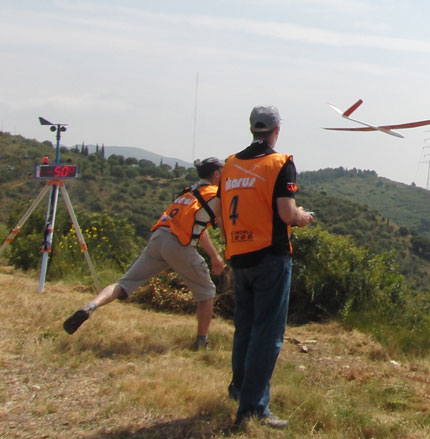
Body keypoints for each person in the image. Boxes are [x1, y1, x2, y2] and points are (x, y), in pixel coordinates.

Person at [215, 106, 314, 428]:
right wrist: (303, 217)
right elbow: (286, 213)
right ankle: (253, 408)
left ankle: (239, 390)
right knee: (267, 334)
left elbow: (220, 213)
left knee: (244, 328)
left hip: (238, 254)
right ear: (276, 130)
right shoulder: (280, 163)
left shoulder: (230, 164)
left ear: (252, 129)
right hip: (270, 255)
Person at [63, 157, 227, 351]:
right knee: (206, 293)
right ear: (216, 174)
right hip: (179, 245)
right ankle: (201, 342)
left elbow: (198, 228)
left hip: (158, 238)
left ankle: (91, 306)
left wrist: (214, 256)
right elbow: (222, 222)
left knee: (124, 283)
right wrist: (221, 254)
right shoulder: (214, 194)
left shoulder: (189, 192)